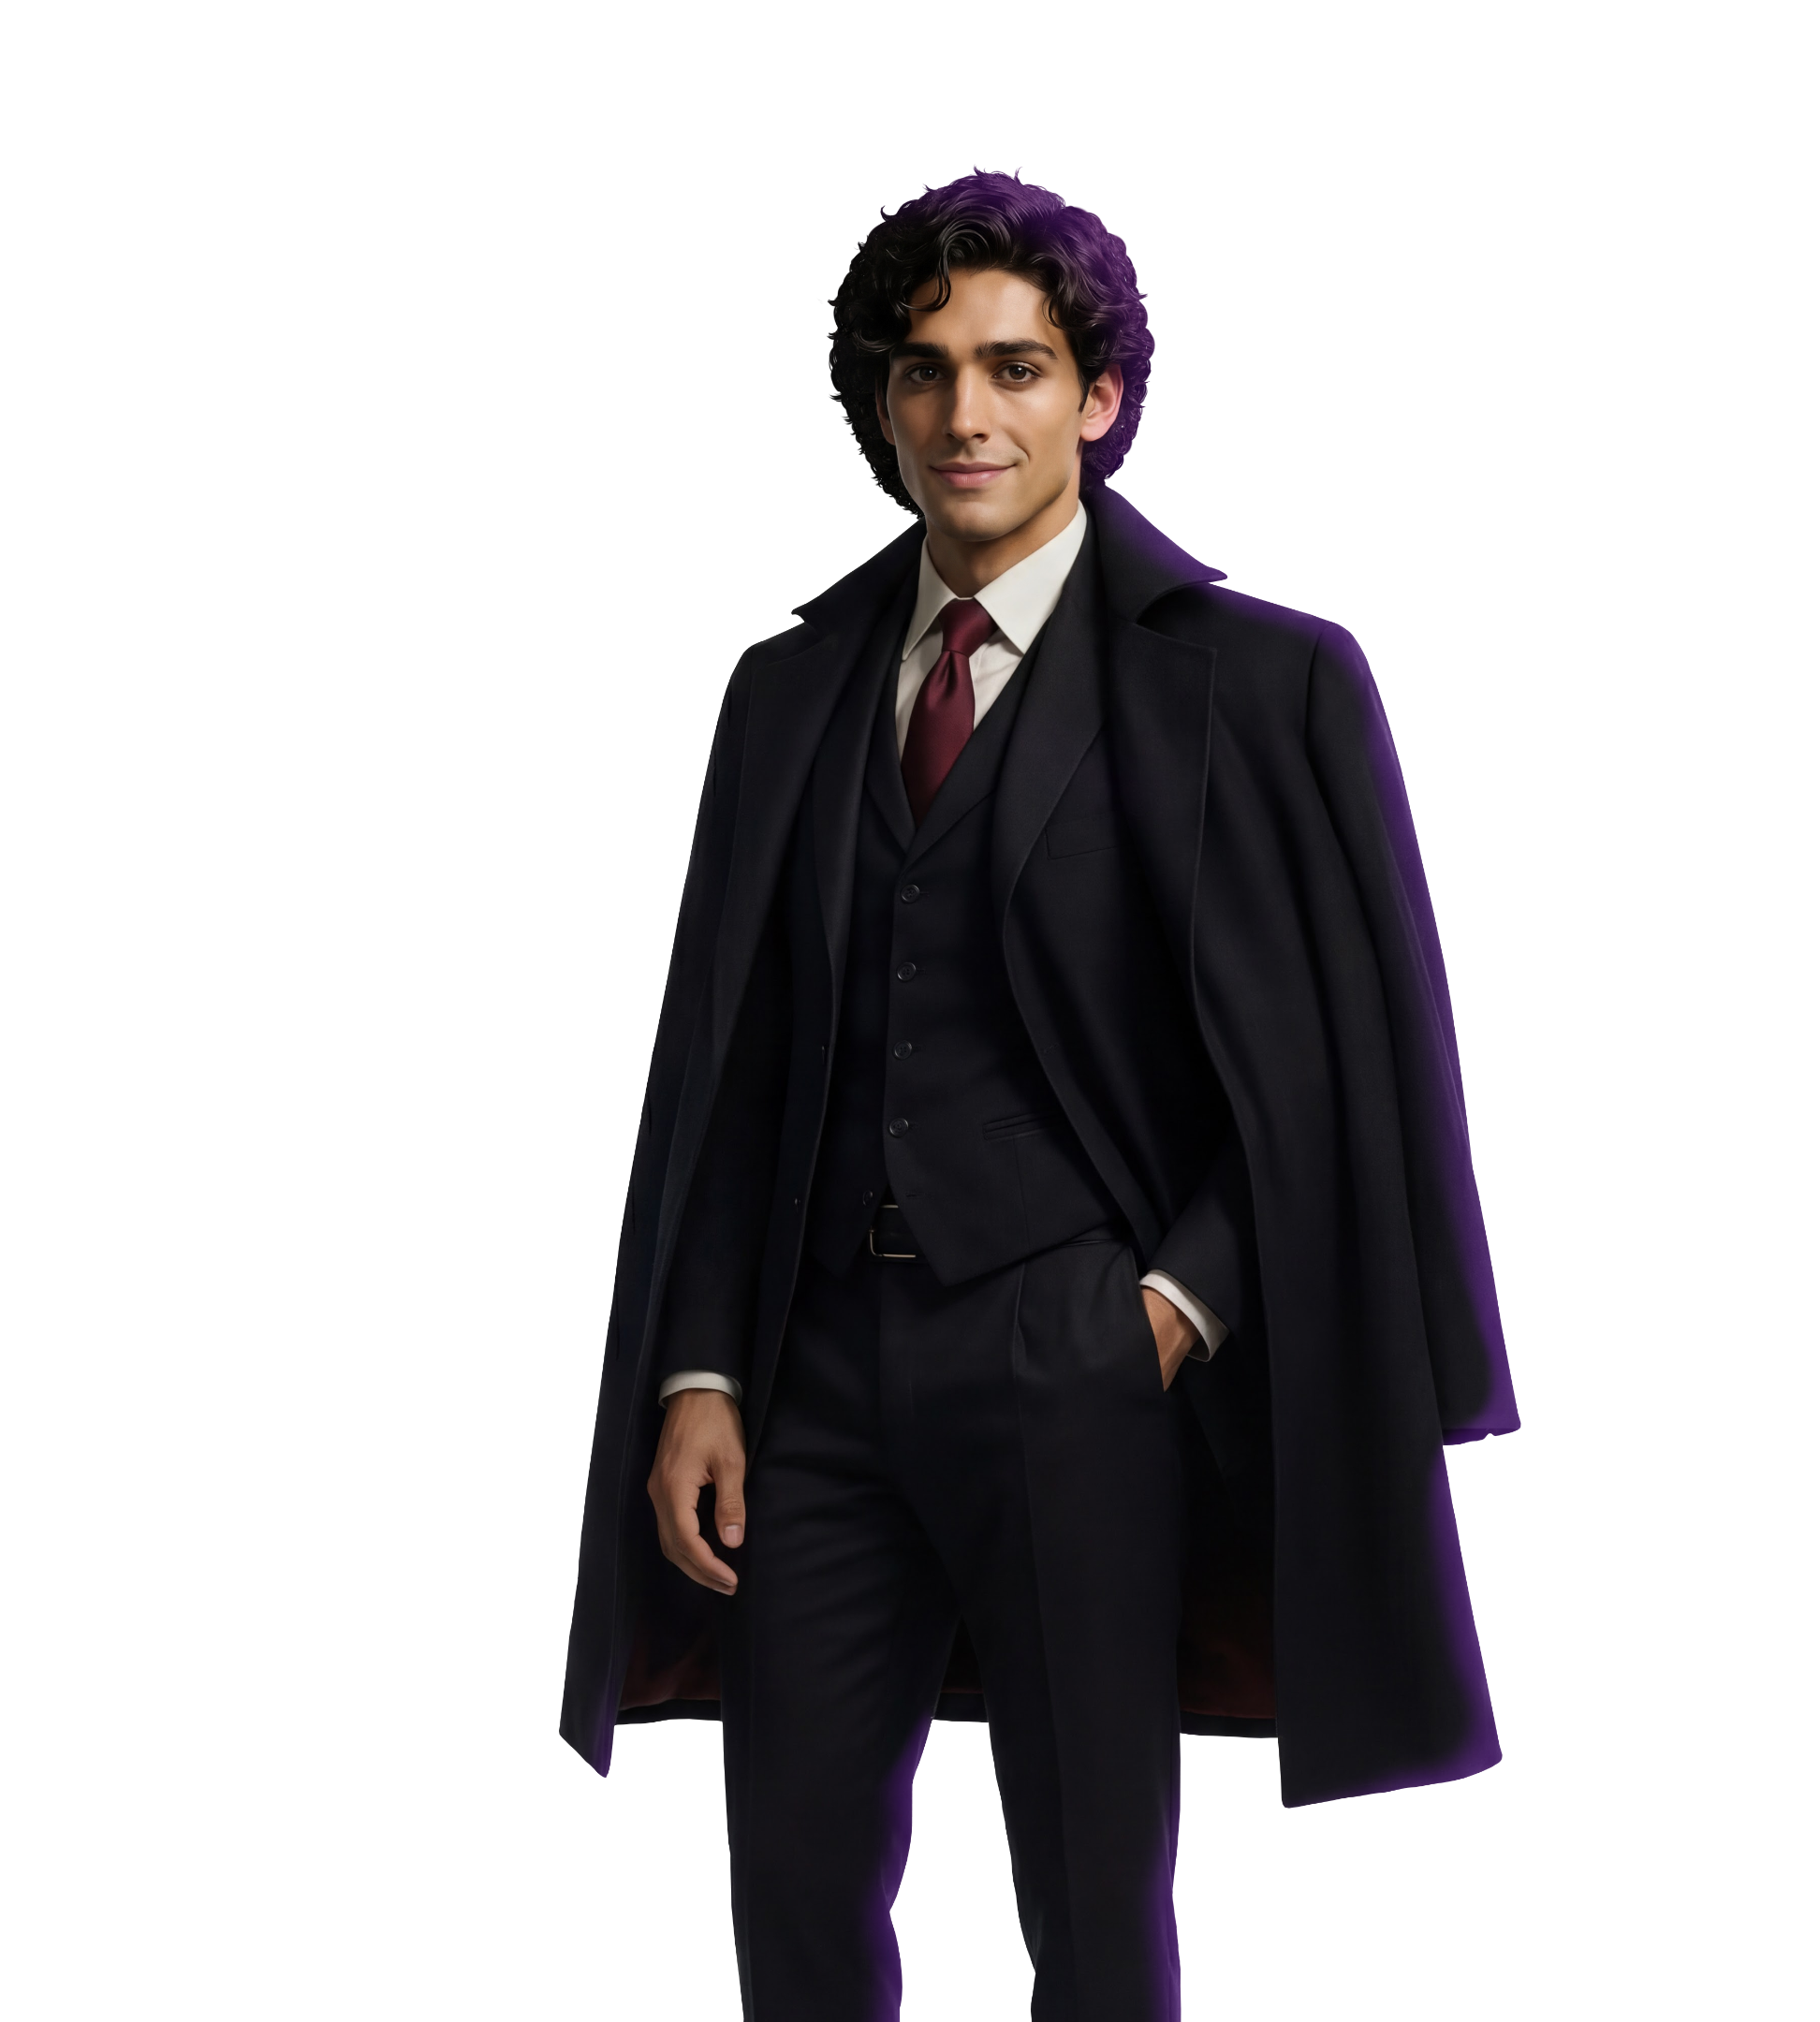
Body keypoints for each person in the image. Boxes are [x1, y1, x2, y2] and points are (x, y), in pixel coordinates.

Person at [558, 167, 1519, 2021]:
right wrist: (700, 1374)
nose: (964, 415)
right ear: (885, 400)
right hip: (811, 1381)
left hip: (1078, 1363)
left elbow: (1340, 1075)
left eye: (1014, 368)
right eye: (923, 371)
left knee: (1093, 1902)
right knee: (790, 1892)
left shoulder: (1266, 682)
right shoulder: (786, 686)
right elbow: (725, 1066)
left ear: (1099, 397)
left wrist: (1168, 1310)